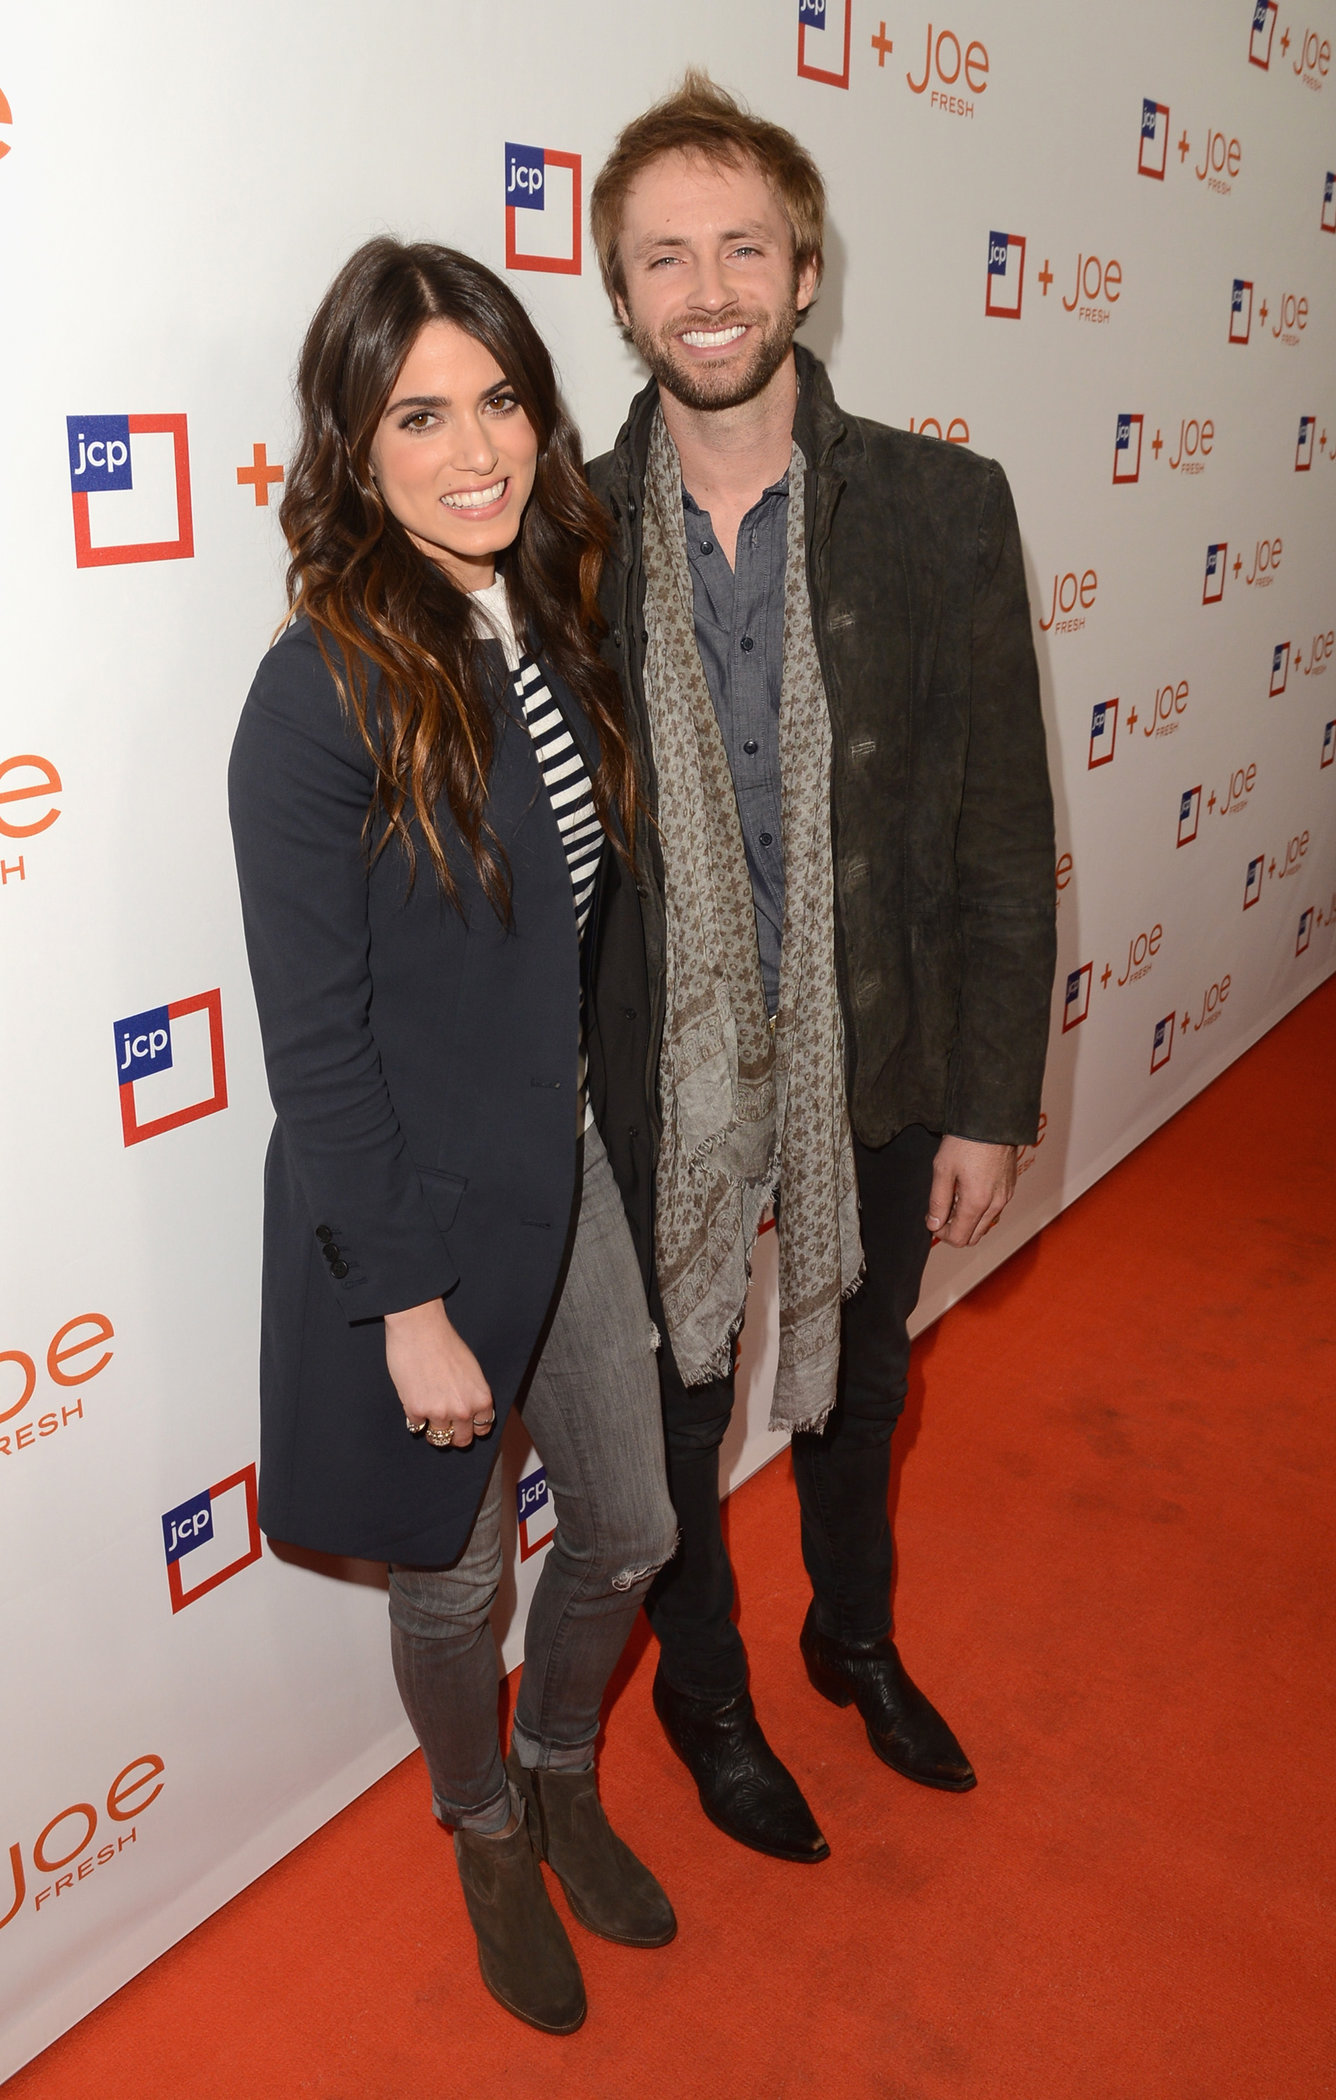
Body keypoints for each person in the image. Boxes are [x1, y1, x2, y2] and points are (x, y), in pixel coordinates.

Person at [585, 77, 1057, 1863]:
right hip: (661, 1080)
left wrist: (989, 1099)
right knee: (683, 1402)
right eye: (664, 257)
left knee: (863, 1388)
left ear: (803, 272)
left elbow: (1004, 834)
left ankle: (850, 1637)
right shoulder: (557, 533)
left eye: (742, 248)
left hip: (881, 1043)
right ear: (620, 294)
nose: (707, 287)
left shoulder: (943, 509)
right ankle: (704, 1688)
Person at [228, 238, 677, 2033]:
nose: (476, 445)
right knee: (458, 1573)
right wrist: (404, 1301)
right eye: (422, 412)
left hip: (561, 1172)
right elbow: (313, 1042)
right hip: (416, 1218)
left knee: (632, 1527)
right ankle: (483, 1821)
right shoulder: (319, 685)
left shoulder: (541, 611)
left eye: (499, 398)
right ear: (354, 442)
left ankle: (561, 1768)